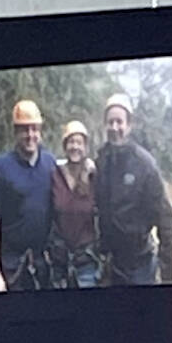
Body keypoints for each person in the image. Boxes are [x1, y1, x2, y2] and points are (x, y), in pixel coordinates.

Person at [95, 92, 172, 286]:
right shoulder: (102, 160)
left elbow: (166, 222)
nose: (115, 127)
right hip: (110, 264)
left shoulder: (144, 165)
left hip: (140, 265)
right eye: (110, 122)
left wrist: (167, 276)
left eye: (119, 122)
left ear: (129, 125)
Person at [0, 100, 56, 292]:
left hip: (43, 266)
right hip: (12, 267)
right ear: (15, 132)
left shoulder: (50, 164)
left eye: (34, 129)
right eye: (24, 129)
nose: (30, 135)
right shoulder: (0, 168)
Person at [49, 120, 100, 288]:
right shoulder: (55, 175)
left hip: (86, 259)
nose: (75, 147)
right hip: (59, 260)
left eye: (79, 142)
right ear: (65, 146)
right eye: (71, 142)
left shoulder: (94, 176)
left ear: (86, 147)